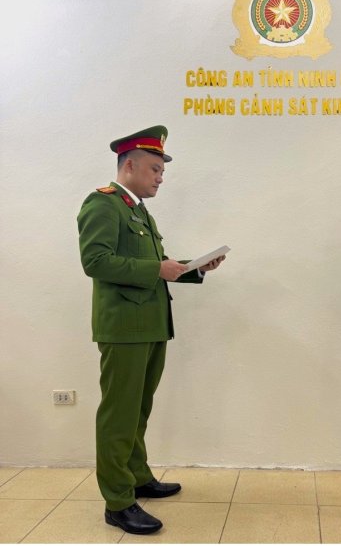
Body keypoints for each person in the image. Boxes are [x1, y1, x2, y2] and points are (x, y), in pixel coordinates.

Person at [77, 125, 225, 535]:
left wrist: (193, 268)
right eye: (155, 169)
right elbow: (95, 262)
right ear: (129, 165)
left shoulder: (139, 211)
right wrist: (157, 269)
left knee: (138, 409)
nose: (161, 177)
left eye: (162, 171)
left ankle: (137, 476)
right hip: (124, 327)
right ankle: (118, 501)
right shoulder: (102, 204)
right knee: (118, 415)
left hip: (150, 325)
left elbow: (153, 265)